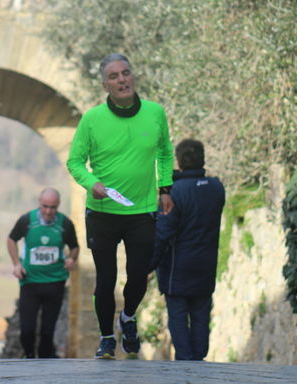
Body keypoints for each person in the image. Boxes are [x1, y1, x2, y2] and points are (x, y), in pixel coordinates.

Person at [67, 53, 174, 359]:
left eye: (125, 73)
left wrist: (165, 187)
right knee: (106, 278)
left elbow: (165, 152)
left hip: (142, 211)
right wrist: (91, 184)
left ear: (133, 76)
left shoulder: (155, 113)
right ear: (105, 85)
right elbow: (74, 161)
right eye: (113, 76)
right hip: (102, 213)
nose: (122, 80)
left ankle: (127, 317)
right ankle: (105, 338)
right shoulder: (92, 119)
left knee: (139, 275)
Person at [151, 139, 225, 361]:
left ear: (180, 161)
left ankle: (185, 362)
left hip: (178, 267)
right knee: (201, 315)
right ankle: (199, 359)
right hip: (206, 265)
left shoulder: (174, 193)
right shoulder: (216, 188)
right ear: (202, 159)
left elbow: (163, 233)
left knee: (178, 316)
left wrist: (147, 264)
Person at [7, 187, 79, 359]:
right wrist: (17, 264)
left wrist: (71, 259)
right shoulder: (27, 220)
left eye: (53, 207)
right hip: (30, 282)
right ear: (39, 203)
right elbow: (11, 240)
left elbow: (74, 247)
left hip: (55, 282)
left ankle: (45, 368)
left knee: (47, 333)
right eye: (45, 206)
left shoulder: (65, 224)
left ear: (58, 206)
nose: (48, 211)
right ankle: (30, 356)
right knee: (27, 331)